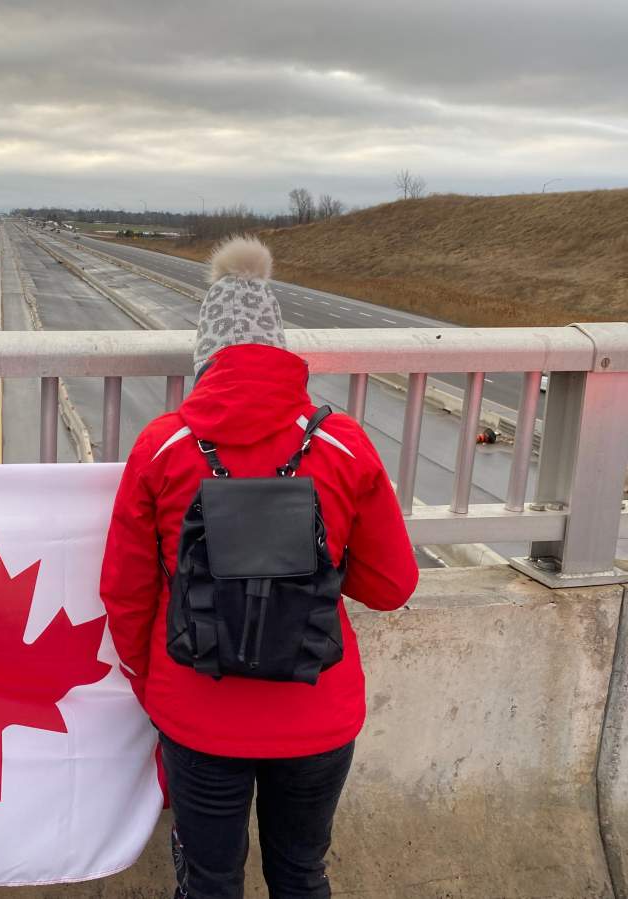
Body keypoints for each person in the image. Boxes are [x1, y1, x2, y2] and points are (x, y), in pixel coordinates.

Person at [100, 236, 417, 899]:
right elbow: (392, 587)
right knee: (301, 875)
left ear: (204, 358)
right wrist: (319, 556)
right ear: (281, 350)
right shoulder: (342, 444)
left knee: (210, 880)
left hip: (195, 710)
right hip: (316, 712)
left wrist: (148, 678)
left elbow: (126, 593)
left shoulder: (163, 446)